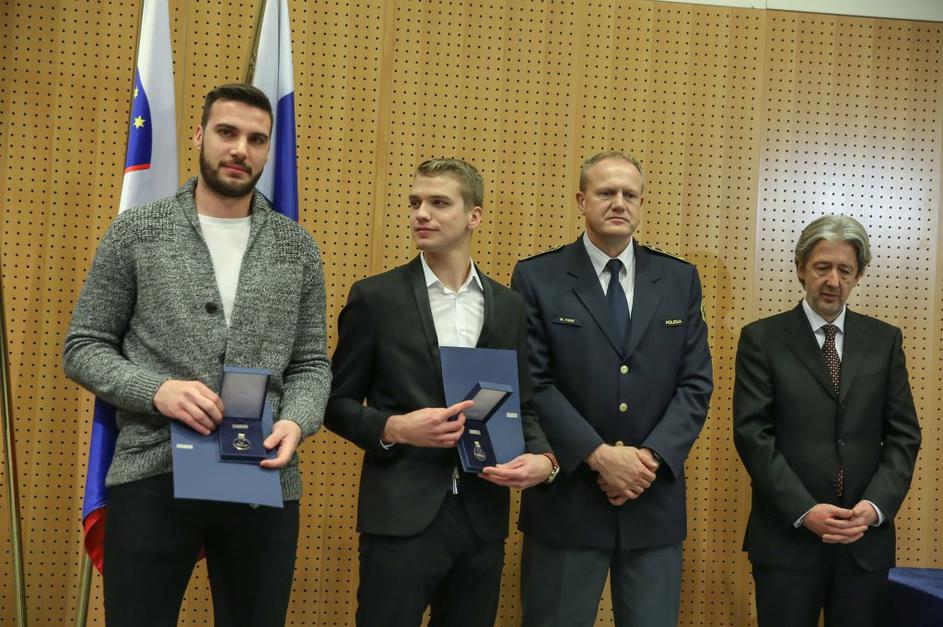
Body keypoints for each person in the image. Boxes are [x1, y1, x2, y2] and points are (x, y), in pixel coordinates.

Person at [63, 83, 330, 627]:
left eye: (257, 139)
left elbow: (311, 365)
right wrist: (156, 390)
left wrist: (297, 422)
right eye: (227, 132)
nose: (240, 150)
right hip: (152, 469)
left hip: (263, 474)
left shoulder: (297, 247)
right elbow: (83, 346)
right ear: (199, 135)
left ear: (268, 150)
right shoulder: (138, 231)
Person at [325, 158, 557, 627]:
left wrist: (545, 461)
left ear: (474, 215)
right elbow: (335, 404)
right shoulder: (375, 298)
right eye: (415, 203)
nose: (421, 214)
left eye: (438, 203)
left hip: (482, 518)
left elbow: (523, 404)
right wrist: (394, 427)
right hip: (400, 518)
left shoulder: (509, 306)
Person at [511, 150, 713, 627]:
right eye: (606, 192)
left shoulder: (679, 279)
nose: (619, 202)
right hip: (568, 500)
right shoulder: (538, 276)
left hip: (651, 499)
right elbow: (533, 382)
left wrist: (648, 460)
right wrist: (600, 456)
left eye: (629, 194)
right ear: (582, 200)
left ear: (642, 203)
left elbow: (695, 383)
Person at [733, 214, 920, 627]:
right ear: (801, 268)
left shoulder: (885, 340)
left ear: (858, 275)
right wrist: (804, 510)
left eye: (845, 270)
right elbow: (752, 435)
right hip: (787, 539)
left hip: (863, 542)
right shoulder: (761, 339)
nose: (833, 281)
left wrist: (874, 507)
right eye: (822, 267)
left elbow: (904, 436)